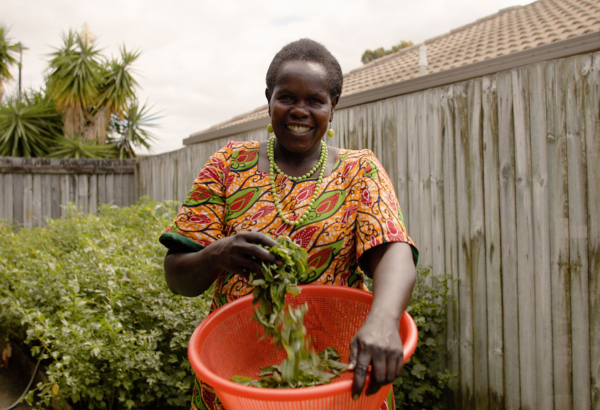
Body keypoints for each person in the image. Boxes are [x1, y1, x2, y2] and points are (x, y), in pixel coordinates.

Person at [160, 38, 418, 410]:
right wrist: (218, 253)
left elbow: (393, 252)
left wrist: (382, 320)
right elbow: (177, 276)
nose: (300, 110)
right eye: (287, 98)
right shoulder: (228, 165)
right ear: (269, 99)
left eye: (315, 100)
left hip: (337, 378)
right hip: (240, 379)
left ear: (334, 106)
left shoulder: (358, 171)